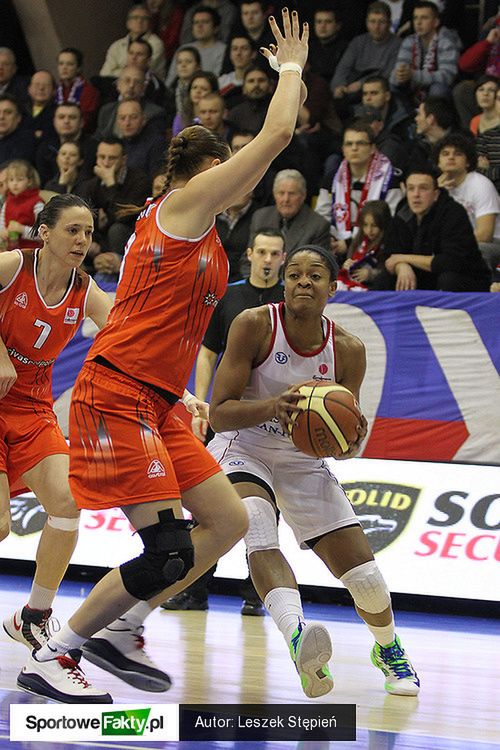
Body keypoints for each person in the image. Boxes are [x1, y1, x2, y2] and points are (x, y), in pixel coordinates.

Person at [17, 8, 309, 703]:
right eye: (226, 167)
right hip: (118, 394)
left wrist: (183, 390)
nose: (240, 179)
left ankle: (124, 626)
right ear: (204, 170)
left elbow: (158, 321)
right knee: (170, 549)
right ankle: (54, 653)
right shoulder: (184, 206)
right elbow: (277, 134)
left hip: (157, 397)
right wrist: (292, 67)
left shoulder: (202, 235)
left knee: (230, 522)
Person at [208, 244, 420, 699]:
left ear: (333, 288)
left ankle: (388, 648)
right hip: (244, 446)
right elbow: (219, 414)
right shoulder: (253, 325)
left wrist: (348, 442)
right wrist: (273, 407)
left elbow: (344, 442)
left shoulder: (348, 349)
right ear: (284, 284)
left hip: (302, 460)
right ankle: (298, 637)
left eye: (315, 274)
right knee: (257, 523)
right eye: (295, 274)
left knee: (365, 578)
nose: (303, 281)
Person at [0, 195, 112, 672]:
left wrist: (183, 394)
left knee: (67, 501)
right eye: (72, 230)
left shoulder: (84, 290)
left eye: (88, 232)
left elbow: (129, 343)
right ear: (44, 232)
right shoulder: (12, 266)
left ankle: (34, 616)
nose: (82, 240)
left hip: (30, 406)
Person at [162, 228, 285, 614]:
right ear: (249, 253)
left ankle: (256, 594)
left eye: (274, 253)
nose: (267, 259)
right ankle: (195, 591)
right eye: (261, 251)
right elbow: (207, 353)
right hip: (226, 412)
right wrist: (201, 405)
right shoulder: (230, 297)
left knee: (267, 507)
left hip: (269, 418)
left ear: (283, 258)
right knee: (206, 504)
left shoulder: (289, 303)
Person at [375, 166, 492, 291]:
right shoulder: (402, 212)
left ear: (436, 194)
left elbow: (452, 261)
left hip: (465, 277)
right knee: (385, 279)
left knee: (448, 279)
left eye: (423, 188)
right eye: (411, 188)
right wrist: (401, 266)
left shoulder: (453, 213)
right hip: (423, 275)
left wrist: (404, 258)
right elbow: (390, 255)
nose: (416, 195)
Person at [331, 2, 401, 108]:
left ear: (389, 23)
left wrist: (361, 84)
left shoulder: (398, 44)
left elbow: (388, 74)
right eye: (372, 21)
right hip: (351, 93)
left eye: (381, 22)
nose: (376, 27)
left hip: (379, 93)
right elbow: (343, 68)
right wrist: (338, 86)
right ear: (366, 22)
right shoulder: (358, 42)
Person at [390, 1, 460, 101]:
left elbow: (447, 77)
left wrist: (414, 75)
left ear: (436, 22)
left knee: (438, 89)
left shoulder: (447, 41)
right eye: (415, 18)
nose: (418, 22)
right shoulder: (409, 41)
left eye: (424, 18)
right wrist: (399, 75)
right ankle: (405, 112)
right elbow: (399, 69)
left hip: (442, 91)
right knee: (391, 87)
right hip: (413, 88)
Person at [250, 169, 331, 254]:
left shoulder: (318, 226)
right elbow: (248, 257)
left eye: (292, 194)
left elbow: (317, 261)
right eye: (281, 193)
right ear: (274, 194)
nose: (286, 199)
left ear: (303, 195)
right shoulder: (260, 218)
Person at [99, 4, 166, 80]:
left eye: (144, 18)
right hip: (115, 84)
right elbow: (104, 74)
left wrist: (116, 71)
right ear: (128, 23)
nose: (139, 21)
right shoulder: (117, 45)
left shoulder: (156, 43)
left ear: (149, 23)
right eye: (135, 17)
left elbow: (140, 71)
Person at [337, 199, 392, 289]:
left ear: (383, 224)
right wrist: (346, 266)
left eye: (374, 225)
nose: (369, 231)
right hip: (350, 287)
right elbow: (348, 261)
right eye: (365, 225)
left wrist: (371, 274)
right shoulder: (358, 241)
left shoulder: (388, 244)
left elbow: (389, 272)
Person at [0, 160, 44, 251]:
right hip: (11, 251)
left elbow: (43, 233)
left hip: (32, 252)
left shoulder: (37, 204)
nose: (15, 183)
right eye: (11, 180)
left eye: (20, 179)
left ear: (29, 181)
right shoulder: (7, 202)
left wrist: (22, 229)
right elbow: (2, 223)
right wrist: (3, 232)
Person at [55, 48, 100, 132]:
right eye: (61, 64)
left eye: (70, 64)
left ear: (79, 68)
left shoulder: (89, 91)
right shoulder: (55, 91)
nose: (64, 67)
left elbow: (85, 121)